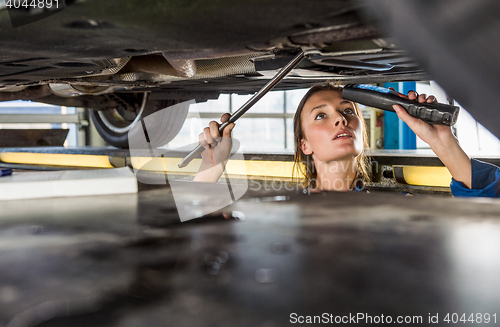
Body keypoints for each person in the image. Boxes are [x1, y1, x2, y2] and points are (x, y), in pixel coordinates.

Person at [194, 81, 500, 198]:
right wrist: (211, 165)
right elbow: (198, 235)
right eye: (320, 115)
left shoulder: (398, 210)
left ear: (361, 133)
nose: (340, 119)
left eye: (347, 111)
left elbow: (491, 214)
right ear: (305, 145)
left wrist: (442, 142)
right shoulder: (281, 208)